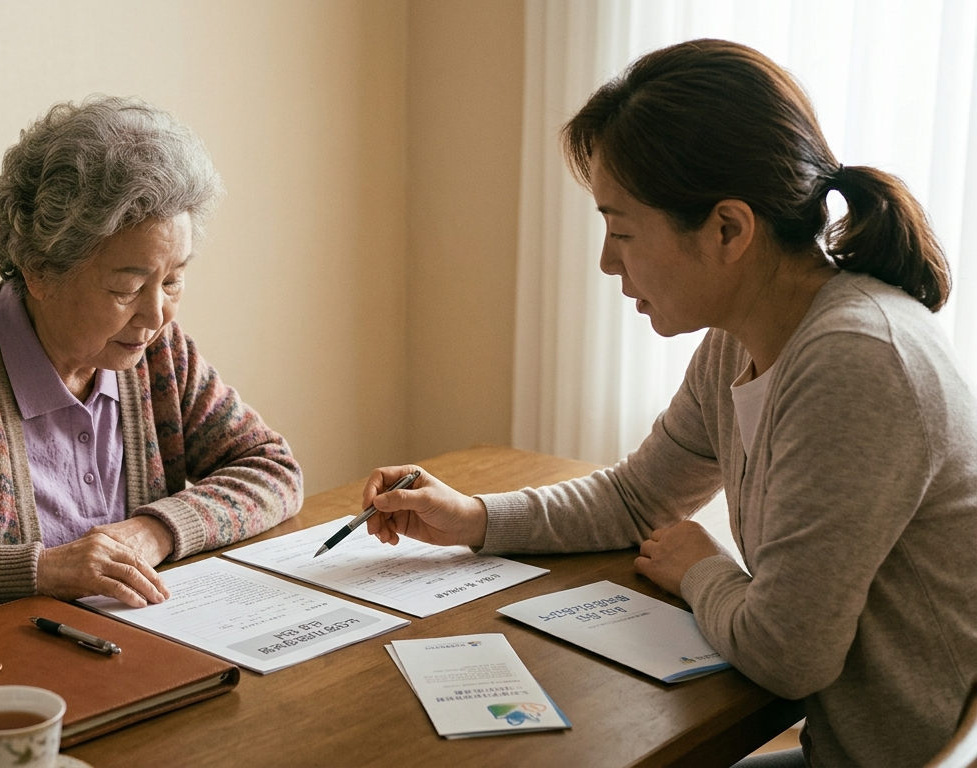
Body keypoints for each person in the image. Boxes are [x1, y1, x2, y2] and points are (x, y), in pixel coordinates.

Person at [360, 40, 976, 768]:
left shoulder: (858, 360)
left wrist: (699, 568)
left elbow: (786, 656)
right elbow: (635, 499)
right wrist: (473, 517)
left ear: (728, 230)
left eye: (621, 229)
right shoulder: (743, 338)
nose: (606, 260)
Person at [0, 95, 303, 641]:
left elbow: (272, 469)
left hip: (120, 653)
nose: (157, 314)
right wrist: (40, 570)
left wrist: (154, 530)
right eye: (128, 287)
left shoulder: (157, 353)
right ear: (40, 272)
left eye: (173, 280)